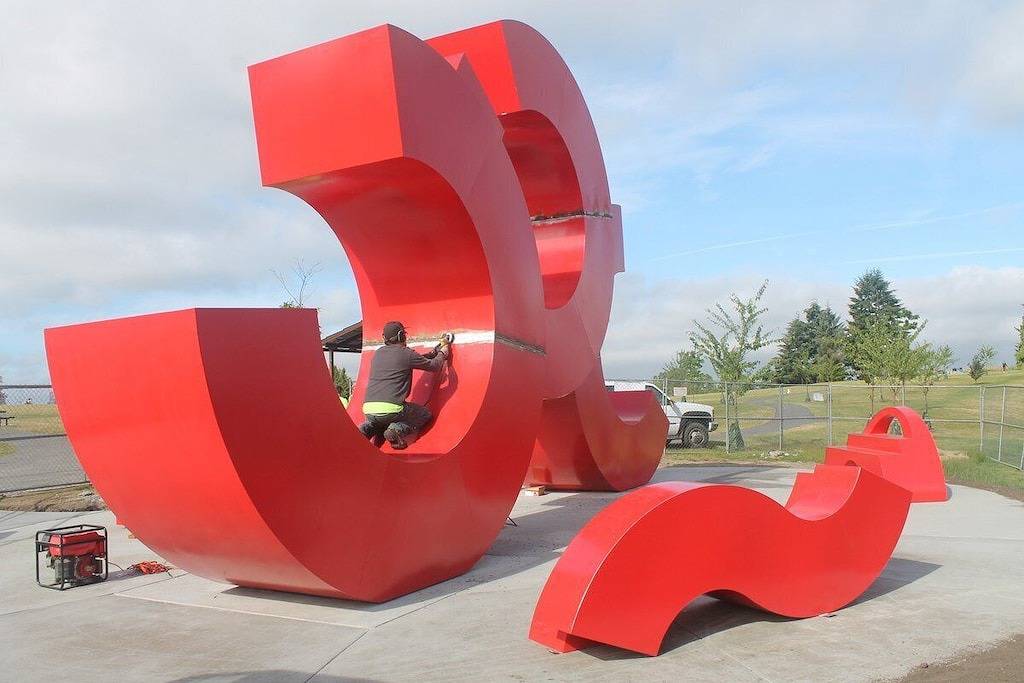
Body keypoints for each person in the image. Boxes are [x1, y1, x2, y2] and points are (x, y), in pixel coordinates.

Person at [359, 321, 450, 450]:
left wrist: (431, 354)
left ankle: (365, 429)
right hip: (392, 409)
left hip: (369, 409)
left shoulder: (378, 353)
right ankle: (396, 430)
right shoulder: (406, 353)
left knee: (378, 421)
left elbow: (403, 362)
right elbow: (434, 366)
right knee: (424, 414)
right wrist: (442, 353)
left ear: (384, 338)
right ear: (401, 336)